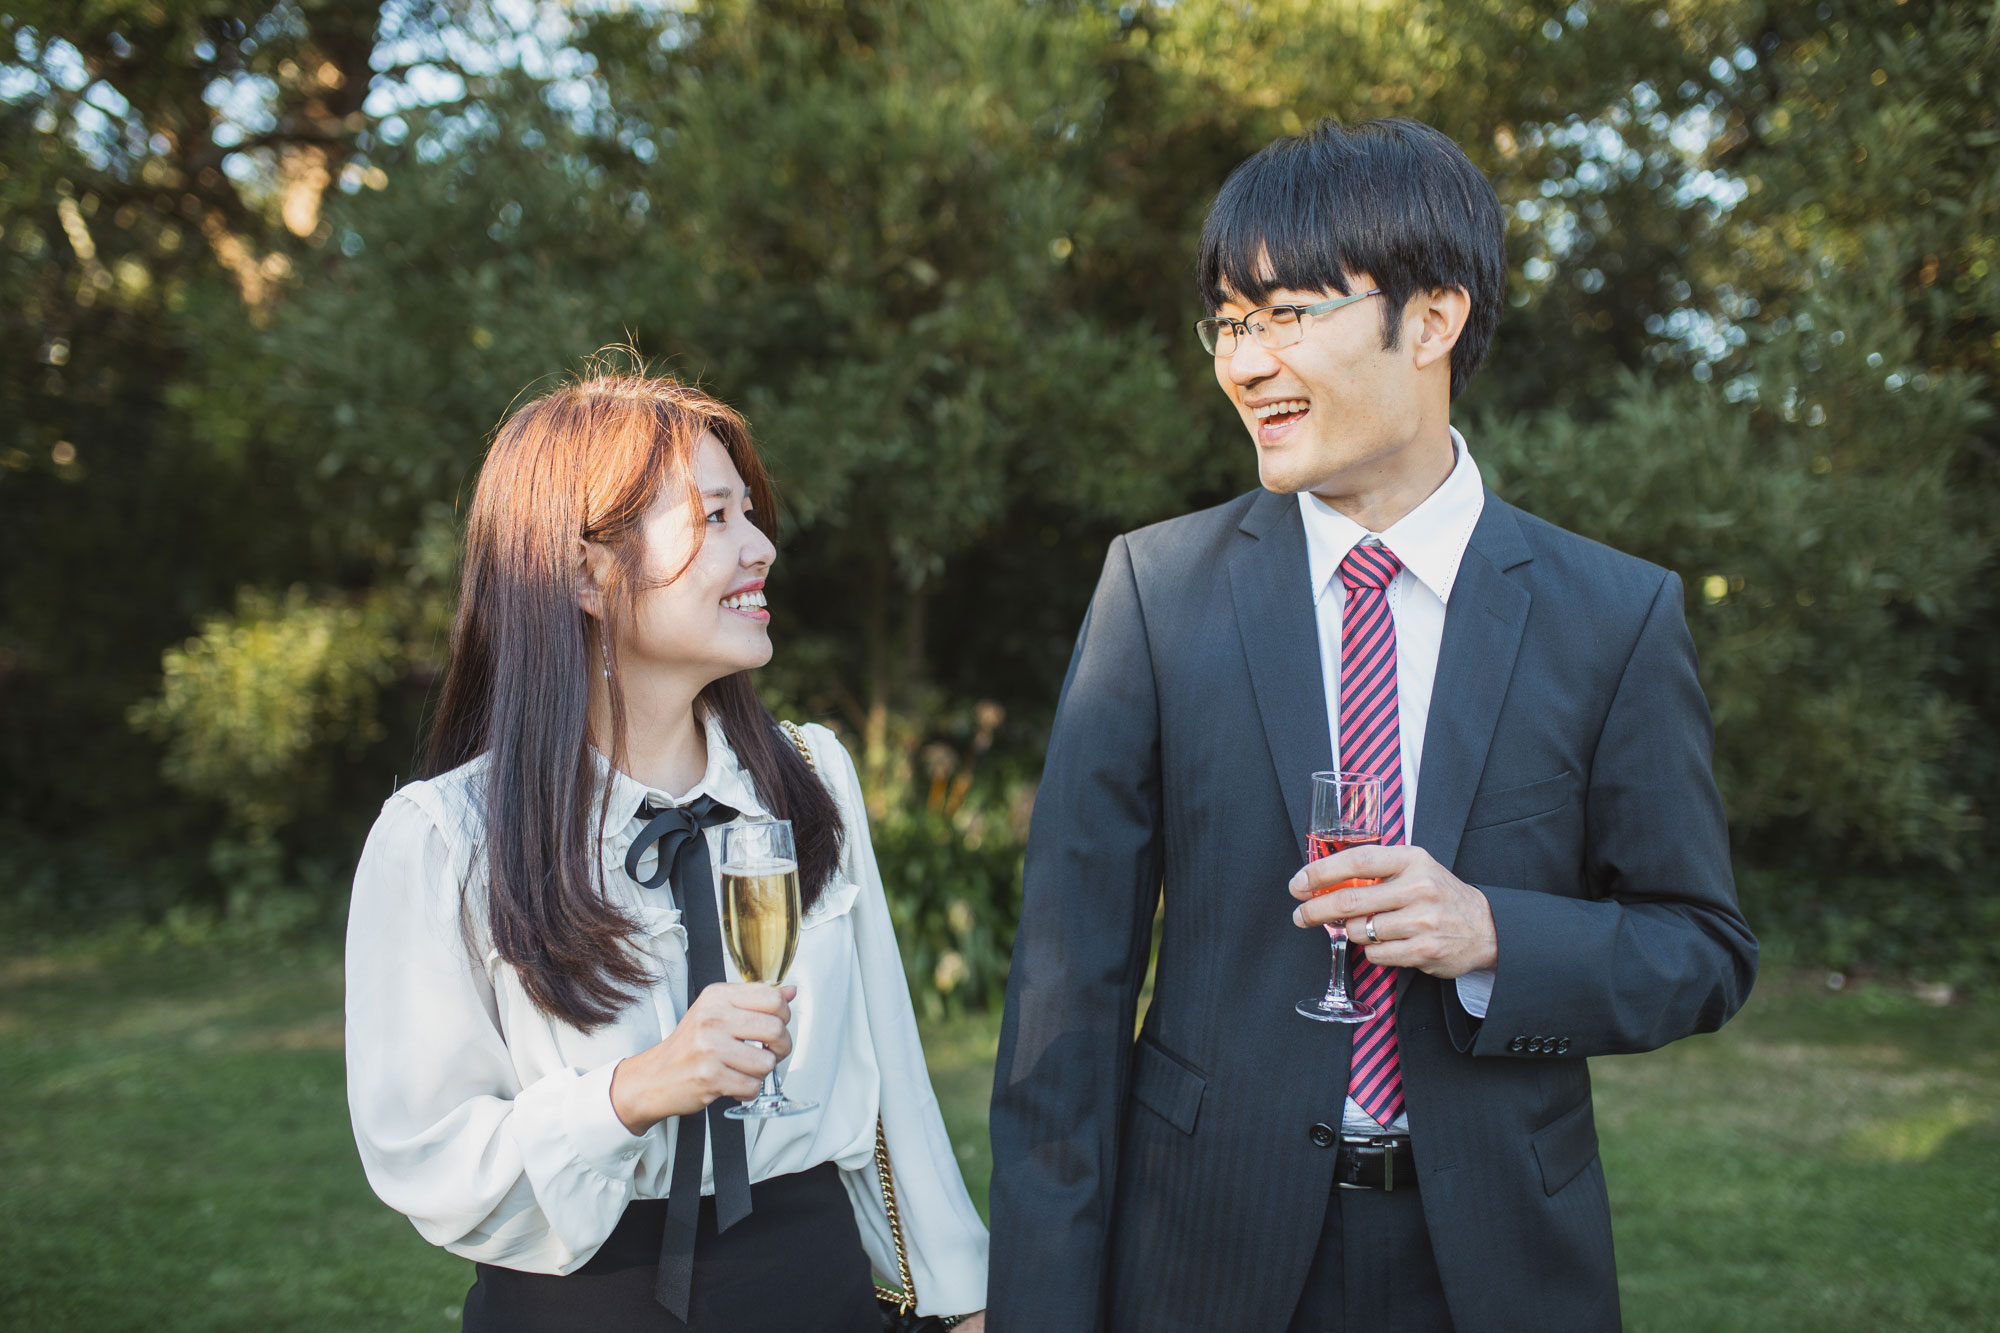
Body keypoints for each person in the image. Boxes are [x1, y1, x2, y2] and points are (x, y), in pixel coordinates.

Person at [987, 118, 1756, 1332]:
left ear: (1433, 319)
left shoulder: (1611, 615)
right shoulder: (1154, 591)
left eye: (1288, 314)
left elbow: (1701, 950)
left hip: (1495, 1263)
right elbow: (1062, 1002)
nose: (1246, 362)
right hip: (1203, 1259)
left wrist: (1491, 932)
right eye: (1230, 324)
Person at [345, 370, 989, 1332]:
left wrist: (962, 1298)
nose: (761, 546)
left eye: (749, 514)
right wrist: (633, 1090)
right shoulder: (445, 837)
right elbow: (427, 1157)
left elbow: (890, 1079)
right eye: (716, 515)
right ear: (584, 573)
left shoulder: (810, 774)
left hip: (820, 1297)